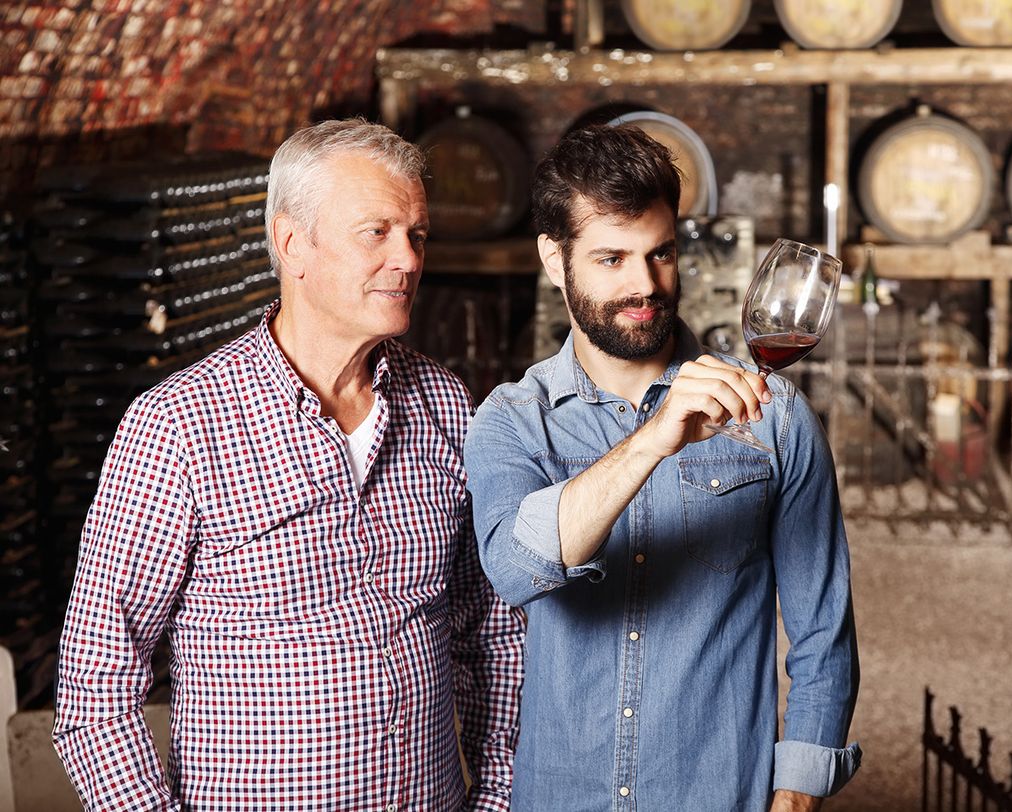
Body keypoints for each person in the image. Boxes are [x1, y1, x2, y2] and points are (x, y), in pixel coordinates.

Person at [53, 118, 524, 811]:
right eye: (377, 232)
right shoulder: (179, 426)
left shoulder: (447, 406)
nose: (408, 259)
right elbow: (96, 686)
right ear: (291, 242)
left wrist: (497, 798)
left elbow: (492, 633)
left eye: (417, 235)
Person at [464, 124, 860, 811]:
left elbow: (824, 634)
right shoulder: (512, 417)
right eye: (611, 259)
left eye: (661, 253)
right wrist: (652, 440)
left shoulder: (776, 417)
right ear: (555, 261)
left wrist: (795, 795)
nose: (644, 284)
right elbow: (515, 569)